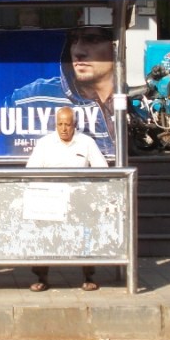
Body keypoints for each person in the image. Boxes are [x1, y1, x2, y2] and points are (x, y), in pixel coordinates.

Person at [26, 106, 108, 293]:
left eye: (67, 124)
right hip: (51, 197)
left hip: (79, 197)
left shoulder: (86, 142)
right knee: (43, 235)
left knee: (86, 232)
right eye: (60, 124)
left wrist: (89, 191)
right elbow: (31, 171)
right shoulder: (45, 143)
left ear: (75, 125)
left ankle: (88, 277)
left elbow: (101, 169)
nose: (63, 129)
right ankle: (42, 278)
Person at [6, 25, 115, 157]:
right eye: (74, 40)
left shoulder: (134, 105)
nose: (78, 51)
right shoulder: (31, 99)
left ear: (117, 47)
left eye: (93, 40)